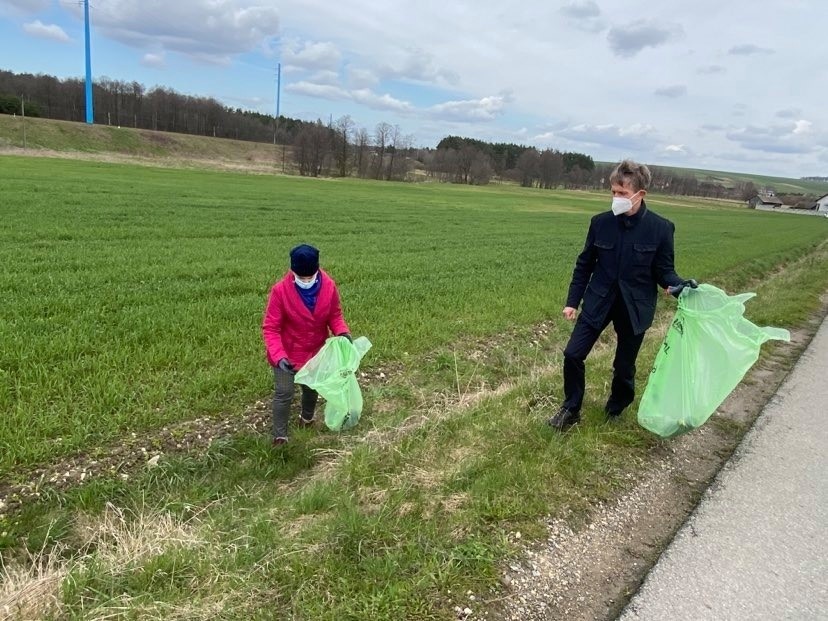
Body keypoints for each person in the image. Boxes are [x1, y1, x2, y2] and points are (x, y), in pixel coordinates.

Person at [547, 159, 697, 431]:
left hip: (634, 306)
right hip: (598, 300)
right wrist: (572, 301)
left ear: (640, 195)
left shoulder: (661, 228)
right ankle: (571, 408)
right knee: (572, 354)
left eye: (623, 194)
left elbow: (665, 271)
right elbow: (585, 264)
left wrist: (678, 286)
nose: (616, 198)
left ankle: (615, 409)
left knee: (624, 367)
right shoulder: (600, 223)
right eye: (614, 192)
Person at [262, 244, 351, 446]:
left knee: (311, 388)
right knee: (284, 392)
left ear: (316, 270)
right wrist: (279, 357)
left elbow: (335, 315)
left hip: (314, 350)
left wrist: (342, 331)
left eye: (309, 277)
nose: (305, 281)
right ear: (293, 271)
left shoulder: (328, 286)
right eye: (301, 278)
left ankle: (307, 419)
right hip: (287, 352)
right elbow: (271, 328)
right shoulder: (280, 291)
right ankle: (280, 436)